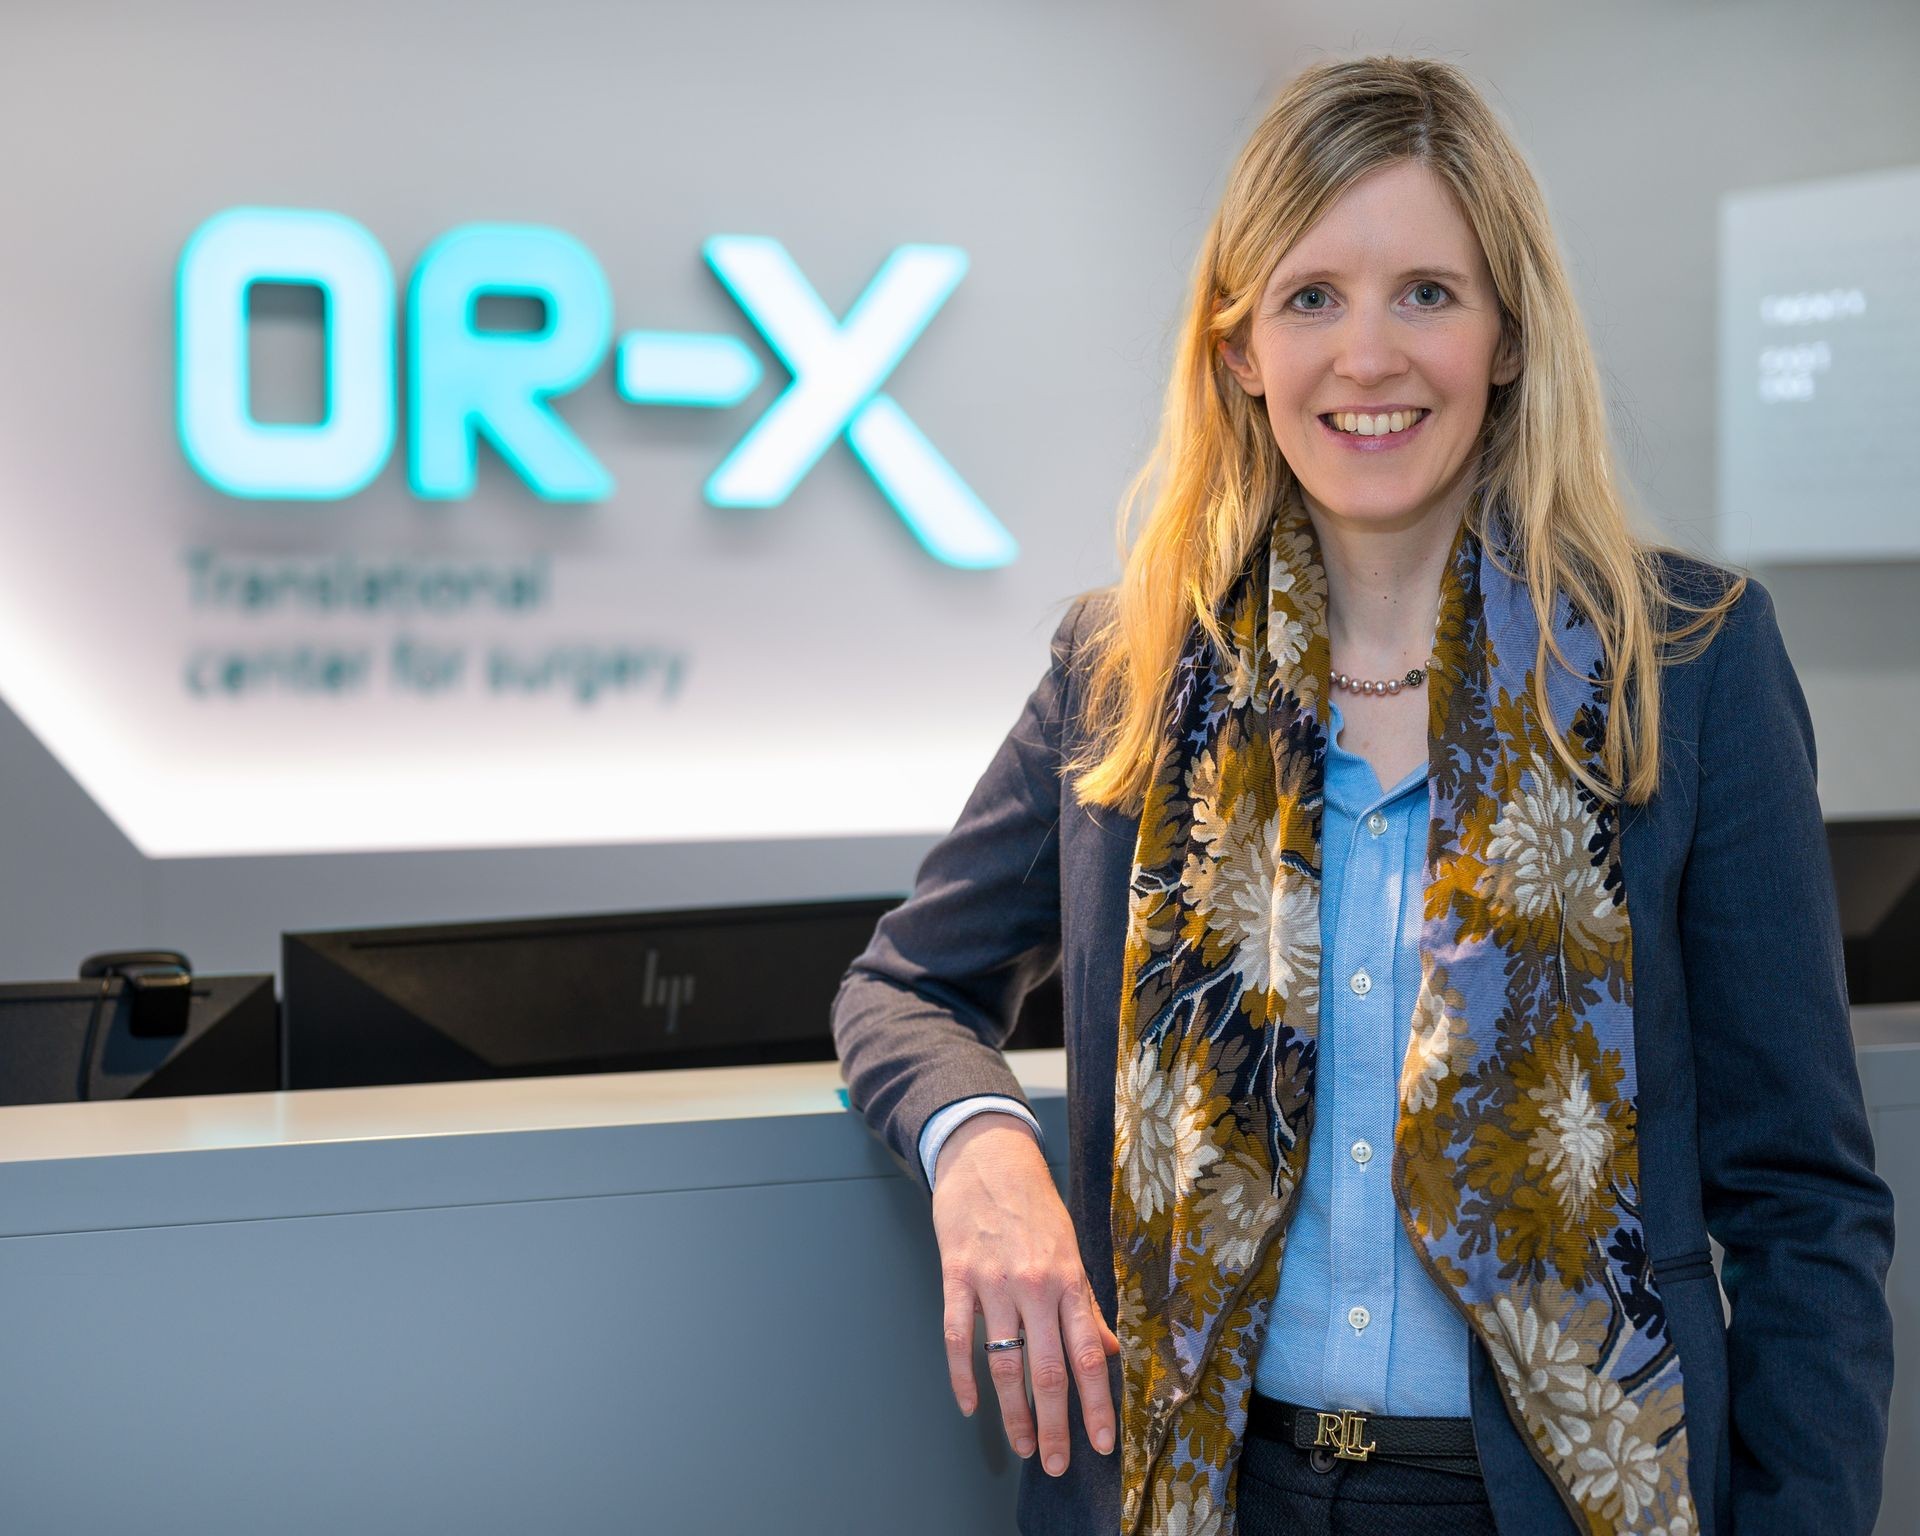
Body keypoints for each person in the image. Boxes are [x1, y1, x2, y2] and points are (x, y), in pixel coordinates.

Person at [831, 53, 1894, 1536]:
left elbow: (1803, 1207)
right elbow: (904, 989)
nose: (1368, 355)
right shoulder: (1128, 665)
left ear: (1509, 335)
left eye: (1429, 294)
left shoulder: (1688, 665)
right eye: (1312, 296)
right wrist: (983, 1151)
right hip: (1209, 1491)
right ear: (1241, 350)